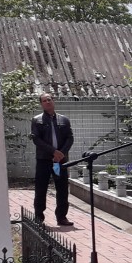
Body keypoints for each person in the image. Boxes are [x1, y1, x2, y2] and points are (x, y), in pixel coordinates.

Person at [30, 92, 74, 227]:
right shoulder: (37, 120)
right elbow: (36, 140)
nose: (47, 102)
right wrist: (53, 151)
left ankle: (62, 217)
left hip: (59, 161)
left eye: (49, 99)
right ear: (41, 104)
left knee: (62, 188)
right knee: (41, 188)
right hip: (44, 160)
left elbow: (70, 138)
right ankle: (39, 218)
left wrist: (61, 153)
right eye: (44, 101)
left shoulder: (64, 120)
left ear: (53, 101)